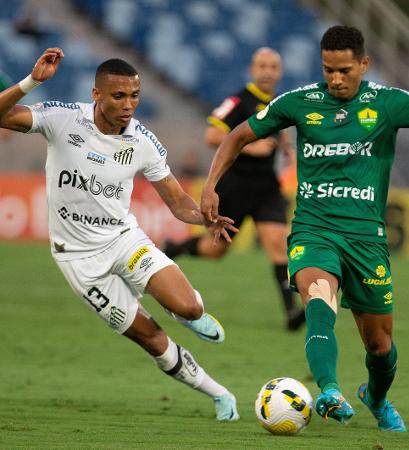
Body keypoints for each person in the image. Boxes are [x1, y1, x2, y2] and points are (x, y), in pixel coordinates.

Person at [201, 25, 409, 431]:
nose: (335, 79)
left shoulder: (387, 103)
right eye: (328, 69)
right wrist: (210, 187)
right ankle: (329, 391)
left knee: (380, 346)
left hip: (366, 239)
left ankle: (376, 396)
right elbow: (238, 135)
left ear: (364, 65)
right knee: (319, 302)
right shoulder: (300, 102)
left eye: (345, 70)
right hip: (313, 229)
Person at [0, 48, 241, 421]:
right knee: (151, 339)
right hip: (78, 259)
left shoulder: (143, 141)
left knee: (190, 307)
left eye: (135, 96)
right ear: (97, 94)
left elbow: (177, 202)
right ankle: (219, 393)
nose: (129, 104)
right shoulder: (63, 119)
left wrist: (204, 218)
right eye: (119, 96)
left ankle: (185, 312)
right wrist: (32, 82)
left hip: (122, 239)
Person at [164, 47, 306, 331]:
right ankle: (174, 249)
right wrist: (250, 146)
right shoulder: (238, 100)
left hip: (267, 188)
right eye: (262, 66)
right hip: (235, 187)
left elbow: (281, 132)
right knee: (215, 251)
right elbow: (212, 134)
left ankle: (291, 313)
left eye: (273, 67)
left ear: (280, 72)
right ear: (252, 70)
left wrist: (287, 148)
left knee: (279, 245)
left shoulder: (280, 102)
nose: (267, 72)